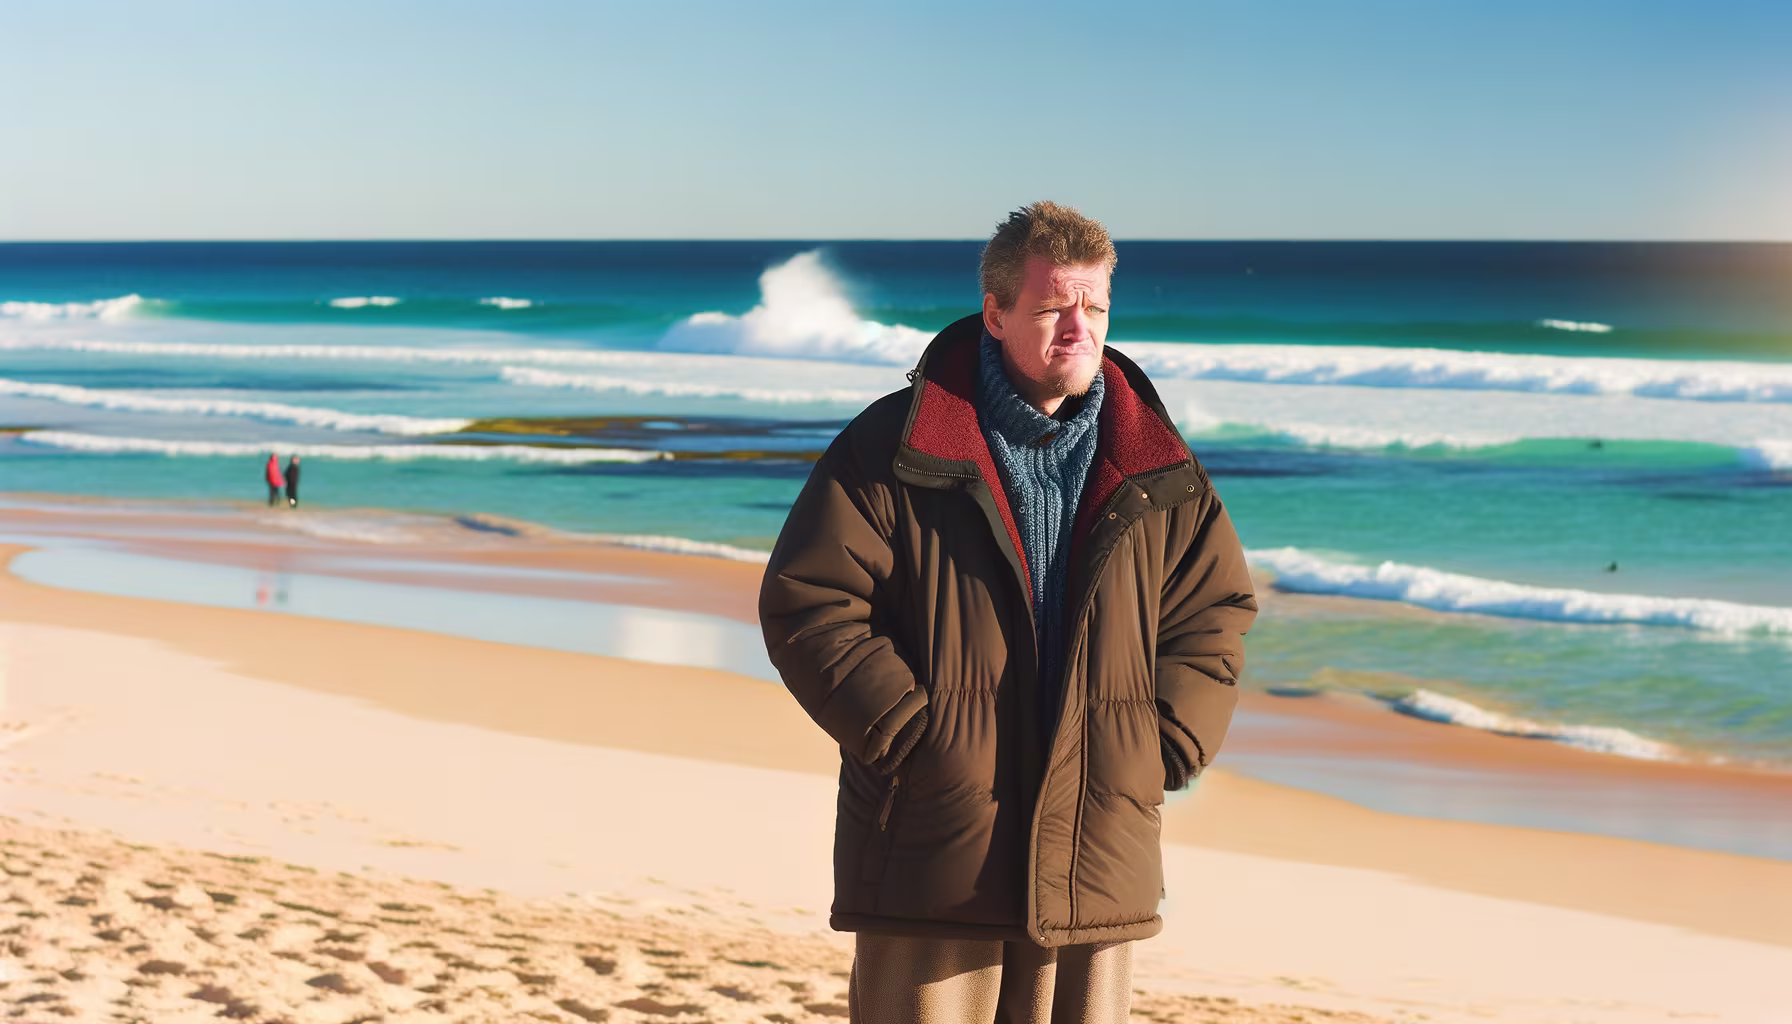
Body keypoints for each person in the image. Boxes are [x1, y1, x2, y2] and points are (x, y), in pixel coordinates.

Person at [759, 202, 1258, 1022]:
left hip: (1096, 856)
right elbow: (809, 599)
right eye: (1054, 306)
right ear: (995, 314)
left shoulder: (1157, 463)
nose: (1080, 328)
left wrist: (1165, 740)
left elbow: (1214, 609)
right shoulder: (893, 446)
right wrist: (909, 735)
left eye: (1096, 306)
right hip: (934, 850)